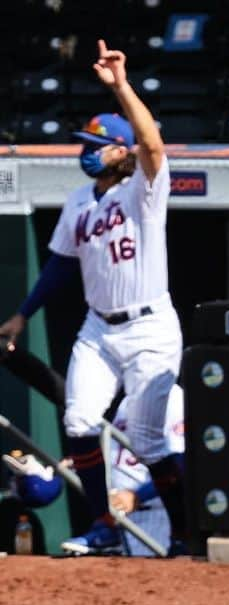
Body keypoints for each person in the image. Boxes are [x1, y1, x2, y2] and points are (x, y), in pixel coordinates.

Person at [0, 39, 187, 554]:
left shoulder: (143, 189)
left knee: (149, 443)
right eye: (84, 142)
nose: (86, 150)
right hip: (99, 328)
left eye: (96, 143)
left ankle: (184, 533)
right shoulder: (80, 200)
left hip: (149, 327)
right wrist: (22, 314)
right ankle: (104, 524)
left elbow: (153, 144)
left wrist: (122, 87)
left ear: (121, 150)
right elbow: (61, 263)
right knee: (79, 422)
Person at [106, 383, 185, 556]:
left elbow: (181, 464)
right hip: (122, 513)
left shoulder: (172, 398)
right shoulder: (127, 399)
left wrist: (139, 495)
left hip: (155, 513)